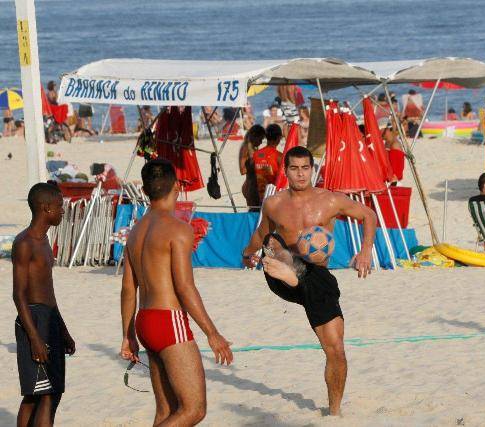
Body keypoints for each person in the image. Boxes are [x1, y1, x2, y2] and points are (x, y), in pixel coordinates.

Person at [241, 146, 376, 416]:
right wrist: (247, 252)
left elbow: (368, 215)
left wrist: (364, 252)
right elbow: (262, 233)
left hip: (316, 279)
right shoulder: (274, 203)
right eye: (294, 168)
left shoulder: (330, 201)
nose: (300, 174)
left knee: (336, 349)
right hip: (282, 270)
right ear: (286, 171)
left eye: (305, 168)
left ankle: (334, 411)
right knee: (273, 244)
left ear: (312, 170)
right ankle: (287, 269)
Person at [120, 159, 233, 426]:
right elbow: (184, 287)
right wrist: (212, 333)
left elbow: (127, 289)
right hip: (168, 321)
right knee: (194, 410)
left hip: (144, 320)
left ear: (146, 191)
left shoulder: (135, 232)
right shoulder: (179, 229)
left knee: (166, 412)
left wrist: (128, 335)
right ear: (177, 186)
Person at [12, 182, 75, 426]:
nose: (62, 211)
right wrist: (35, 337)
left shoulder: (45, 242)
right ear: (45, 208)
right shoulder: (24, 243)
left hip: (49, 318)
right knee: (41, 393)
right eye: (59, 206)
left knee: (51, 391)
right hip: (34, 319)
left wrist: (63, 329)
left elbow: (48, 292)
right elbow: (19, 294)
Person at [253, 124, 283, 202]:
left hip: (258, 195)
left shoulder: (256, 154)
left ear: (266, 137)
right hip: (273, 196)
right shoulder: (280, 156)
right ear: (279, 138)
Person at [239, 125, 265, 211]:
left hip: (254, 186)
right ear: (255, 136)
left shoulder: (253, 148)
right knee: (255, 213)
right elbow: (242, 170)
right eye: (260, 139)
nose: (261, 142)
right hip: (251, 187)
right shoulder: (245, 148)